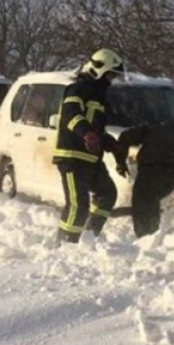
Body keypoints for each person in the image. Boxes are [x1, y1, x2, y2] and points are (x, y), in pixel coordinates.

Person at [52, 48, 125, 244]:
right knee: (78, 205)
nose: (111, 79)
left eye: (114, 76)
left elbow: (97, 130)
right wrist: (86, 133)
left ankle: (89, 237)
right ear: (98, 69)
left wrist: (110, 143)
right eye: (110, 74)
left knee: (108, 193)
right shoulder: (77, 89)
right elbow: (71, 115)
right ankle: (66, 245)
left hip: (92, 160)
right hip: (72, 157)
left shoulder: (100, 97)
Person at [114, 122, 174, 238]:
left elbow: (125, 138)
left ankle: (144, 237)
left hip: (147, 173)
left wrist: (120, 161)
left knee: (141, 204)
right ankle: (152, 235)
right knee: (151, 200)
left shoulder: (149, 131)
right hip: (167, 178)